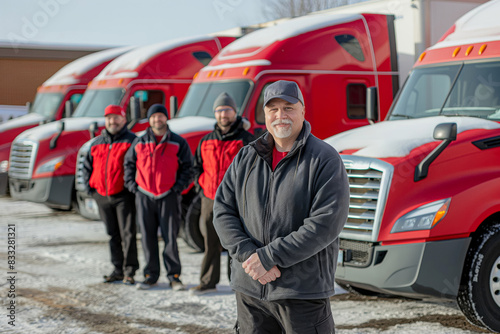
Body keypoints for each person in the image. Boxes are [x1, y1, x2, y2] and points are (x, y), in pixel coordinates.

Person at [213, 80, 350, 333]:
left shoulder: (324, 158)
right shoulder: (246, 157)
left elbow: (325, 224)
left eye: (288, 107)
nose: (280, 116)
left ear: (303, 111)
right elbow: (222, 210)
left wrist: (268, 257)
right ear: (265, 115)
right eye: (273, 109)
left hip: (301, 293)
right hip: (250, 293)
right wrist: (249, 256)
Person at [189, 92, 254, 296]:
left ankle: (237, 283)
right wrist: (201, 186)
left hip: (236, 201)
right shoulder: (206, 140)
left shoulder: (246, 140)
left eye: (227, 110)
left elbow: (254, 170)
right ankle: (208, 282)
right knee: (210, 242)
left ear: (234, 112)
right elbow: (195, 167)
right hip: (209, 199)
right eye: (219, 111)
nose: (223, 114)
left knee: (235, 243)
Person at [124, 104, 193, 291]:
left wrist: (178, 188)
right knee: (147, 237)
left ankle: (174, 277)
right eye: (154, 117)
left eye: (161, 116)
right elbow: (129, 164)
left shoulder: (178, 141)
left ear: (166, 118)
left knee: (170, 238)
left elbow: (189, 167)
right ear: (149, 119)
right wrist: (133, 186)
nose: (157, 120)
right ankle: (150, 276)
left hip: (168, 195)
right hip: (144, 195)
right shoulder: (139, 142)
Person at [82, 104, 139, 285]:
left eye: (116, 118)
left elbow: (137, 166)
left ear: (123, 119)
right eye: (109, 118)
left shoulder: (132, 141)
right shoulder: (97, 142)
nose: (112, 121)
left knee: (127, 234)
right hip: (102, 196)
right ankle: (117, 269)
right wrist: (91, 189)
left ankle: (130, 271)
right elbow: (87, 167)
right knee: (112, 234)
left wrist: (132, 189)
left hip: (124, 195)